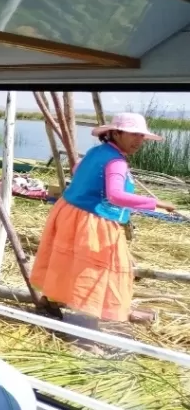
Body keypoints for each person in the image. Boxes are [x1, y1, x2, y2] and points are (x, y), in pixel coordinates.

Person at [32, 113, 173, 324]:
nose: (139, 141)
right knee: (93, 269)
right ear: (115, 133)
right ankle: (86, 323)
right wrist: (156, 203)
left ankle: (50, 303)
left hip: (69, 211)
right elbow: (115, 196)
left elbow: (77, 169)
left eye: (142, 136)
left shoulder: (97, 151)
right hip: (92, 220)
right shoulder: (116, 161)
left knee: (66, 261)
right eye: (133, 134)